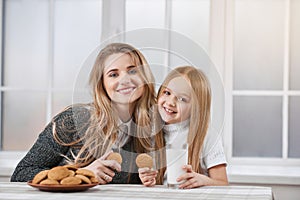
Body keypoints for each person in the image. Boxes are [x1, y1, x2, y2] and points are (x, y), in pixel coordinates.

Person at [11, 43, 165, 185]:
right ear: (102, 84)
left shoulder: (150, 129)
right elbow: (21, 174)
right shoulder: (72, 120)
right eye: (113, 74)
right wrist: (81, 175)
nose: (125, 79)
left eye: (132, 71)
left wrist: (146, 181)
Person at [139, 66, 228, 188]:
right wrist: (149, 179)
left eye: (182, 99)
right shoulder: (151, 132)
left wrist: (203, 181)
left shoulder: (207, 135)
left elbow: (222, 183)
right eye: (167, 93)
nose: (170, 102)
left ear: (196, 107)